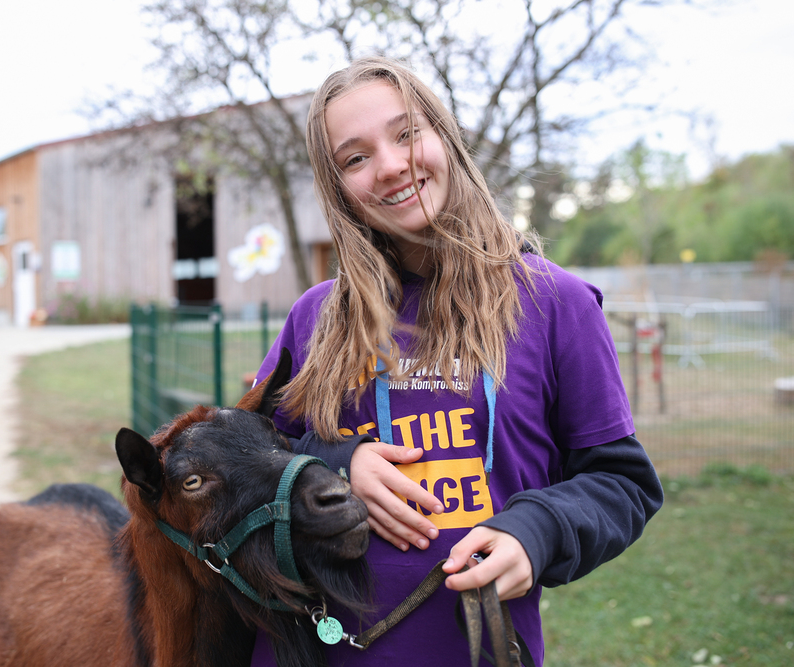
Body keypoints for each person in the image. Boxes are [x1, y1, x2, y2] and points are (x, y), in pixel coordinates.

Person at [250, 56, 663, 666]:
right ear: (337, 189)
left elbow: (622, 484)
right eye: (355, 158)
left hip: (480, 649)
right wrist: (335, 463)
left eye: (406, 133)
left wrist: (537, 530)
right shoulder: (317, 317)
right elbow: (247, 457)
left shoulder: (557, 304)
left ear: (445, 136)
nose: (391, 166)